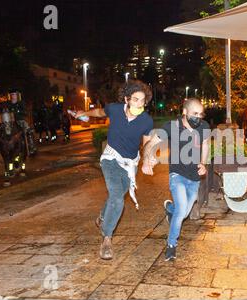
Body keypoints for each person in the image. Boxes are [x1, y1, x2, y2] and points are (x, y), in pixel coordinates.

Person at [75, 79, 154, 260]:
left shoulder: (146, 121)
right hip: (110, 158)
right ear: (126, 99)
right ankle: (107, 239)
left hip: (130, 164)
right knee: (117, 197)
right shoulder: (115, 109)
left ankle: (103, 217)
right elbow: (99, 111)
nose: (139, 104)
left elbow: (147, 143)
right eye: (135, 99)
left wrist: (147, 160)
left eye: (142, 101)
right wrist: (84, 113)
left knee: (115, 196)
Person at [142, 98, 211, 261]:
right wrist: (147, 160)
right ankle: (171, 245)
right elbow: (152, 143)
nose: (198, 117)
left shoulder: (204, 127)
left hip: (194, 177)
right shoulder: (171, 127)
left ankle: (170, 209)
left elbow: (206, 144)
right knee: (182, 211)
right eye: (195, 113)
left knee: (184, 213)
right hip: (177, 175)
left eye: (201, 114)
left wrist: (203, 162)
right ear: (185, 112)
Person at [0, 89, 37, 155]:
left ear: (17, 95)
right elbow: (1, 111)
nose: (12, 96)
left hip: (20, 120)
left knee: (28, 130)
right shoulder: (7, 103)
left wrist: (18, 113)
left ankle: (31, 146)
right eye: (11, 95)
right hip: (8, 121)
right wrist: (1, 113)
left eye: (14, 94)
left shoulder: (21, 103)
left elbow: (25, 112)